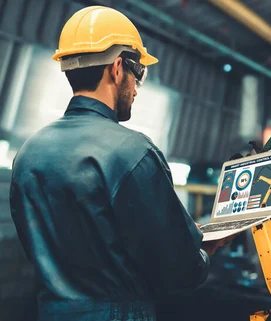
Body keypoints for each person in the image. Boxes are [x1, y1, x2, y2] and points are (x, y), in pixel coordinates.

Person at [9, 6, 229, 321]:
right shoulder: (132, 152)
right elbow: (180, 272)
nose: (137, 87)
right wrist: (210, 249)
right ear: (116, 68)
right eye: (137, 73)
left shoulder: (28, 152)